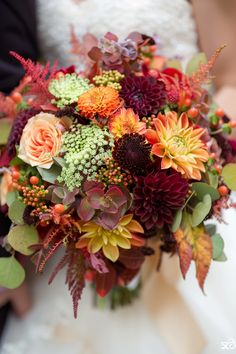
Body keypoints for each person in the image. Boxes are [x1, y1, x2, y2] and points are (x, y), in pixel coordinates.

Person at [1, 1, 236, 354]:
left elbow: (231, 79)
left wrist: (194, 168)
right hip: (70, 231)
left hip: (185, 183)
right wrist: (70, 193)